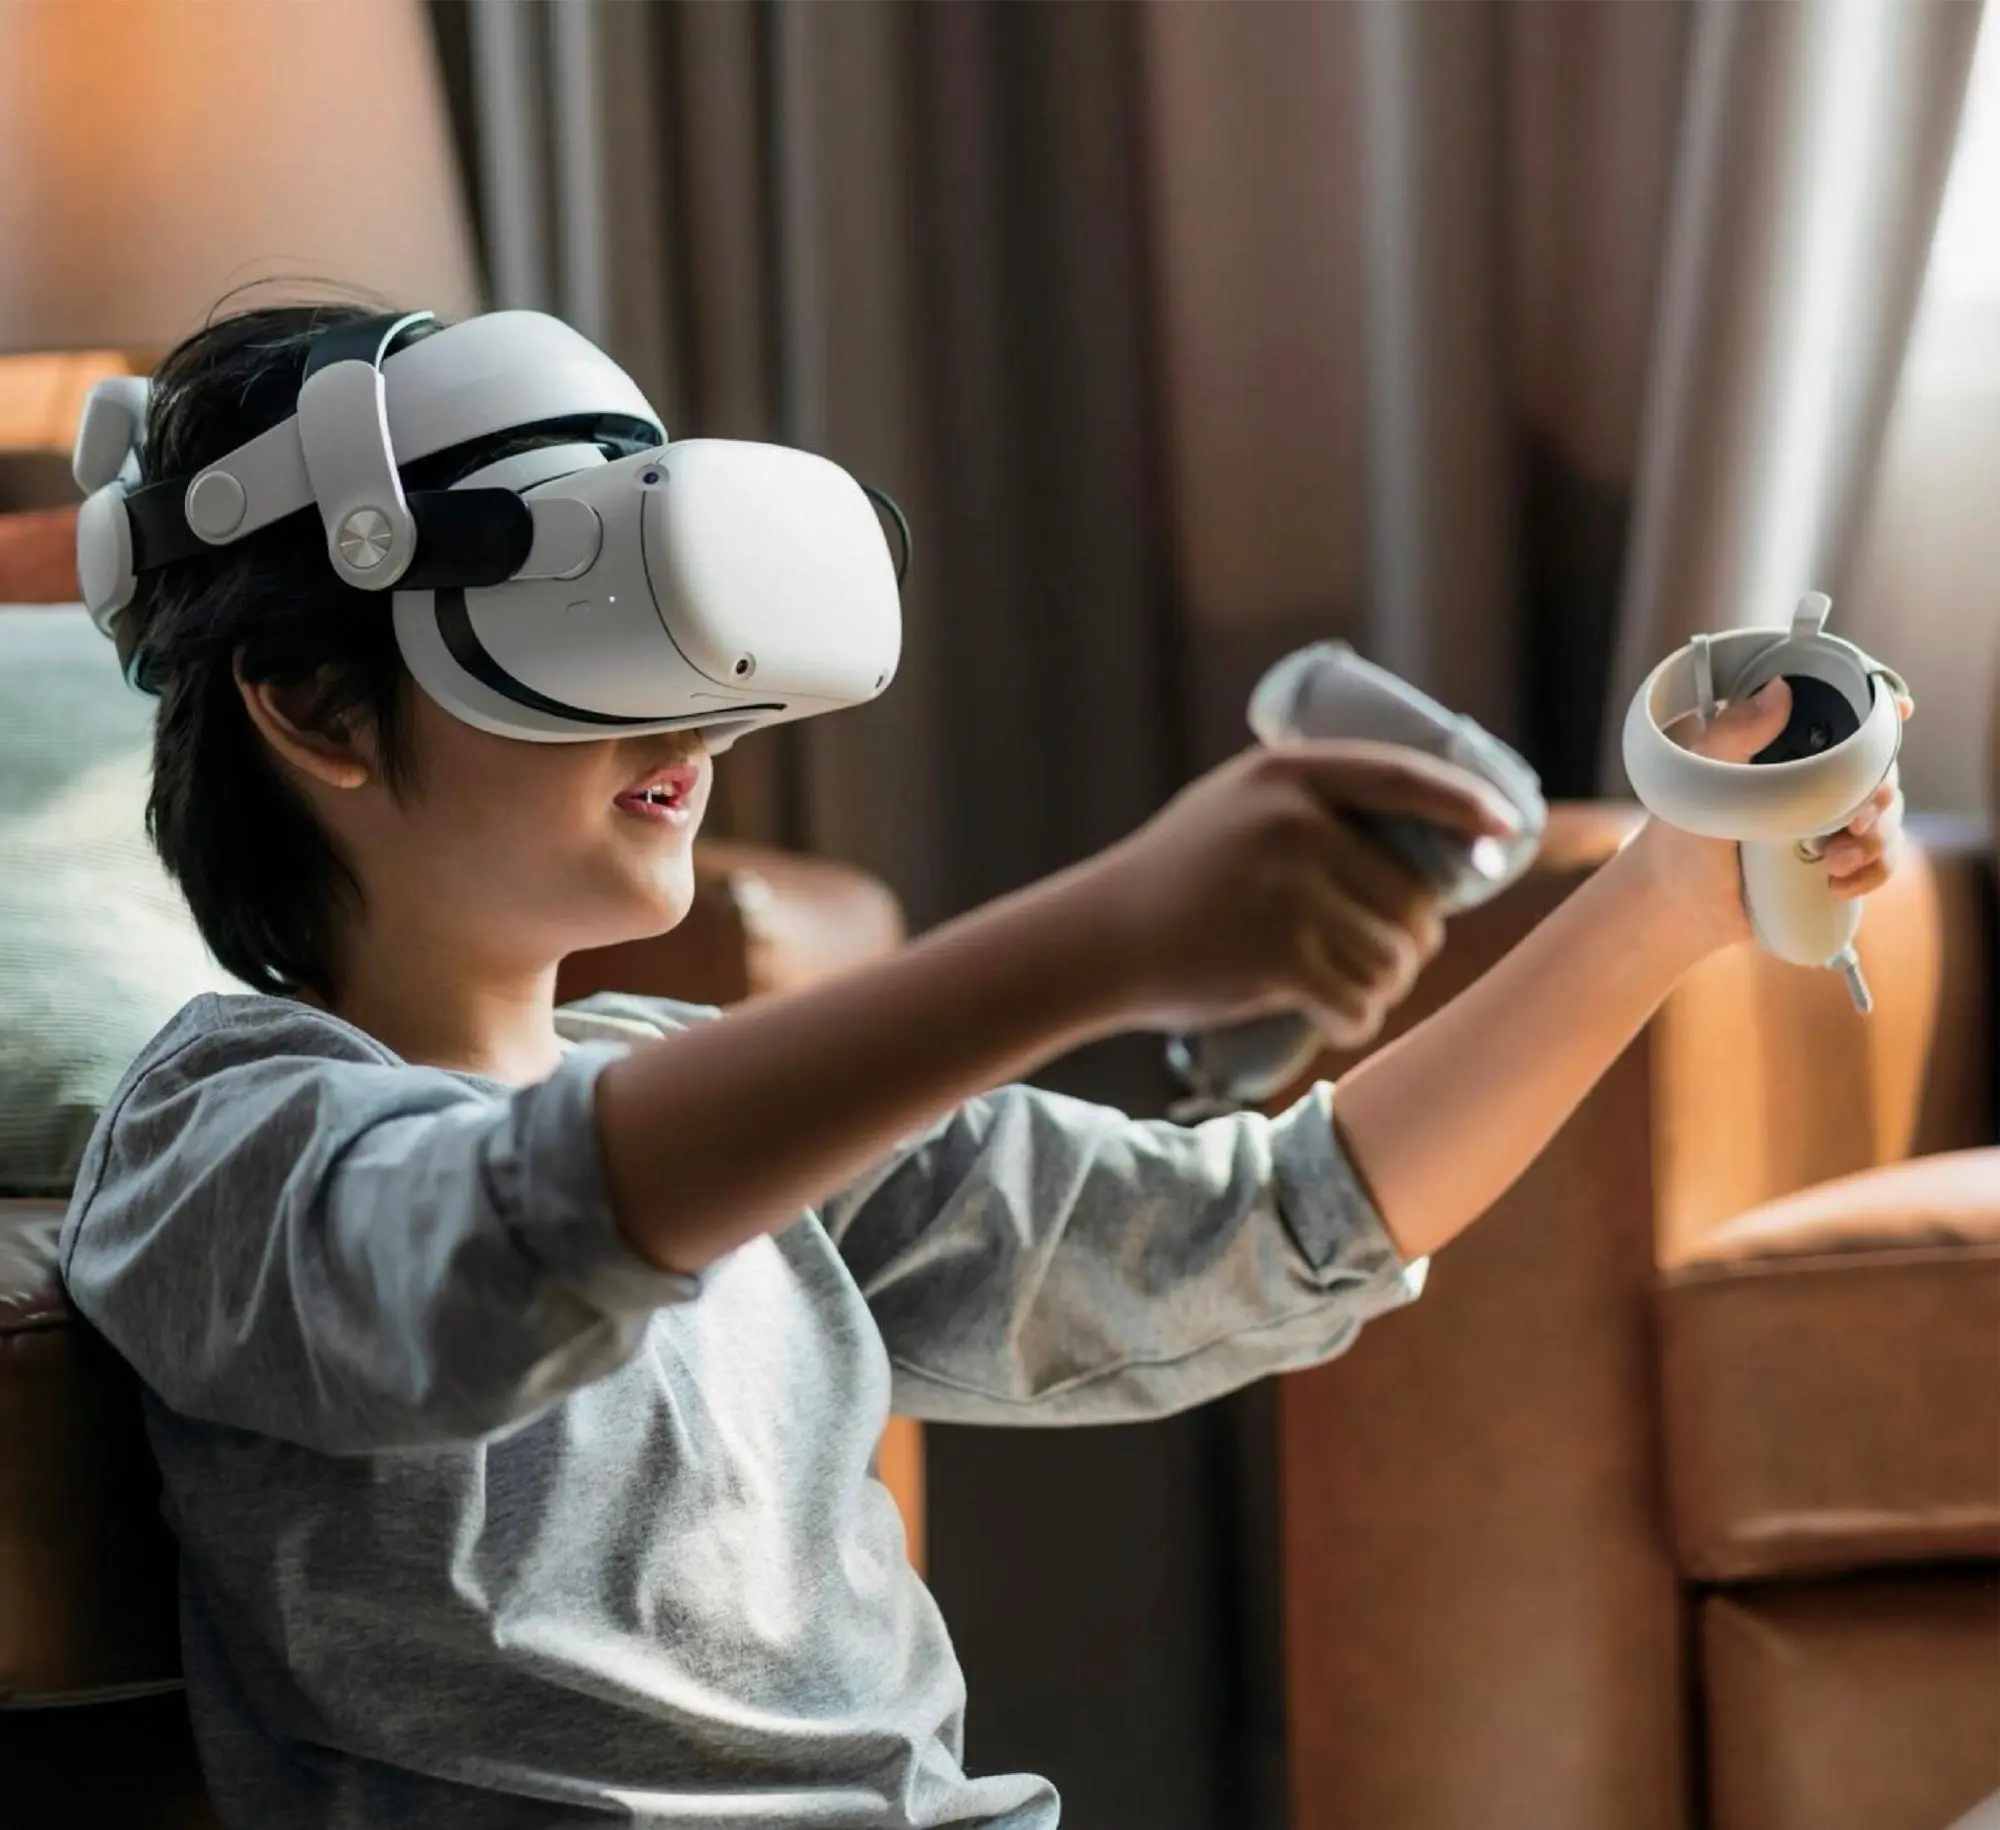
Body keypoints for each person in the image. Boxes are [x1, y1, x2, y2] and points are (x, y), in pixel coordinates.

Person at [62, 305, 1908, 1830]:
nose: (695, 712)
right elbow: (497, 1254)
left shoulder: (726, 1102)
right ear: (316, 703)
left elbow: (1266, 1230)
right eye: (585, 632)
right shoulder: (220, 1139)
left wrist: (1664, 901)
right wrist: (1098, 938)